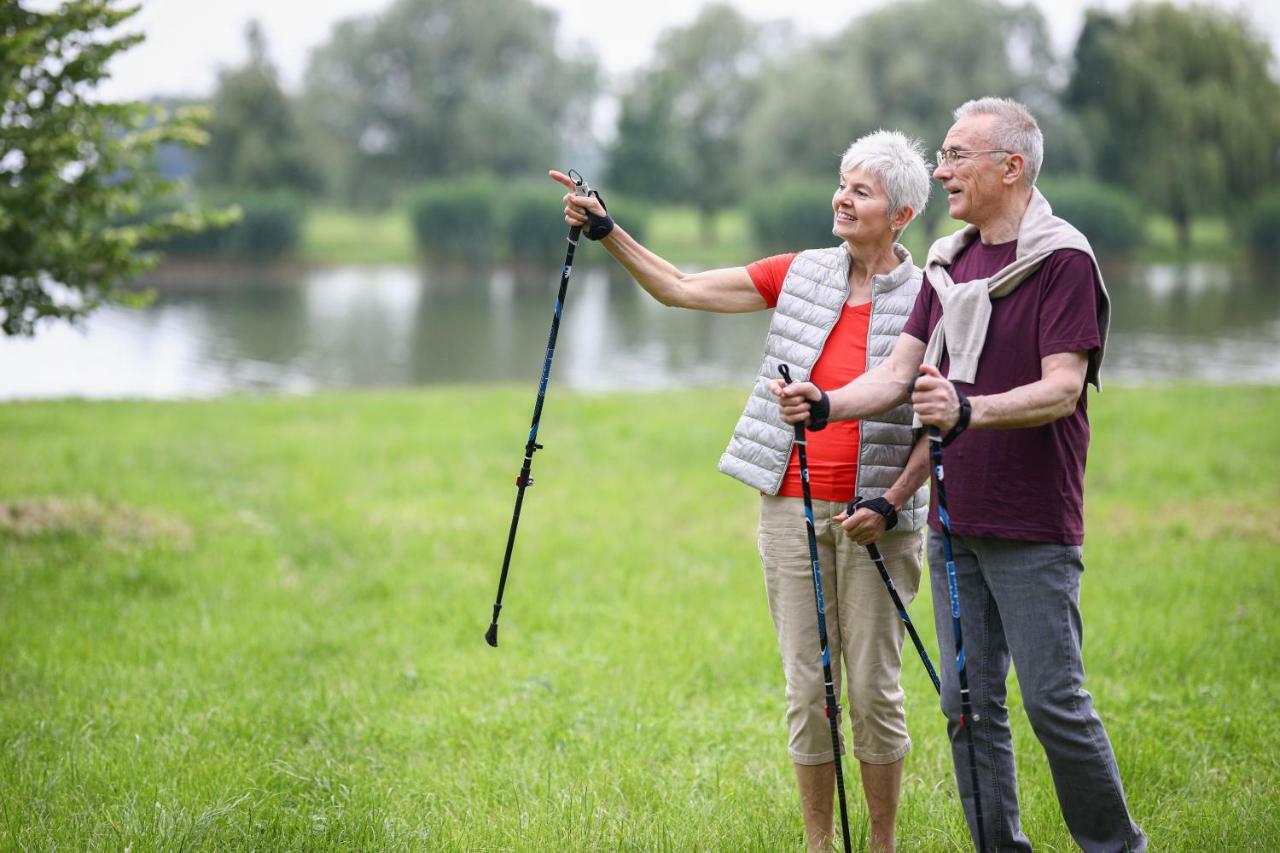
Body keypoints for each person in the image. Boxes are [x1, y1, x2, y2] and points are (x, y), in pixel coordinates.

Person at [772, 98, 1147, 852]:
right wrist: (826, 404)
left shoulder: (1062, 260)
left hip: (1033, 521)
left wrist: (968, 411)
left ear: (1009, 166)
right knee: (967, 704)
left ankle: (1118, 847)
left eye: (956, 155)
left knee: (1052, 702)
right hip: (953, 520)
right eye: (941, 157)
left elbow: (1063, 387)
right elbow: (901, 374)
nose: (941, 170)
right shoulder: (949, 261)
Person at [550, 129, 934, 852]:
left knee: (874, 692)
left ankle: (881, 845)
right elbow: (682, 288)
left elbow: (935, 423)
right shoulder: (801, 272)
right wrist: (609, 231)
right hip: (789, 505)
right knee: (809, 690)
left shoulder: (929, 295)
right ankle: (820, 844)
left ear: (902, 215)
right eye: (842, 183)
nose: (843, 199)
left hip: (877, 519)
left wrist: (892, 502)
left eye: (862, 191)